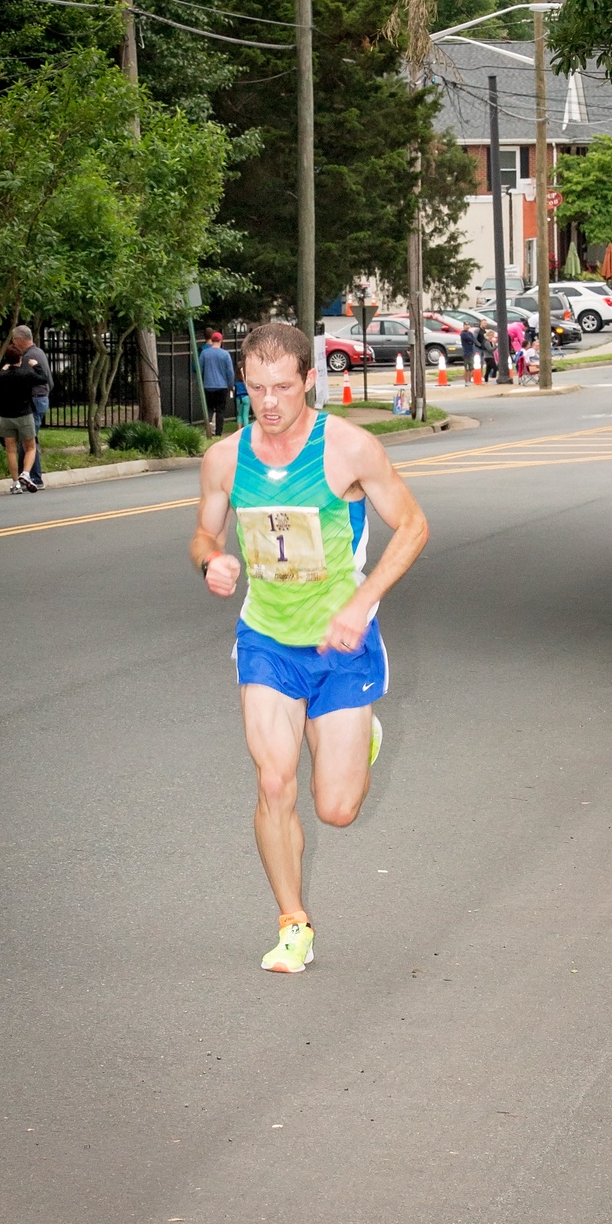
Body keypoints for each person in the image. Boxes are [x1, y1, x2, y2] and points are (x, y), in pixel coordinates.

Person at [190, 322, 429, 974]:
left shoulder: (347, 450)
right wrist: (212, 561)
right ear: (243, 381)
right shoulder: (224, 459)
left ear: (308, 382)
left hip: (340, 644)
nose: (268, 403)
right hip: (266, 638)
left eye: (282, 389)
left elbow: (412, 525)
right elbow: (201, 536)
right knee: (274, 779)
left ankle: (361, 731)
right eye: (257, 388)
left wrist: (362, 600)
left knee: (338, 809)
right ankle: (293, 921)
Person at [0, 342, 42, 493]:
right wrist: (36, 366)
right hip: (24, 414)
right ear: (20, 358)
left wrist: (2, 369)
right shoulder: (26, 374)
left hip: (6, 416)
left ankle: (15, 483)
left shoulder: (1, 376)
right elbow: (43, 379)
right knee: (31, 447)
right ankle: (26, 473)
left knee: (10, 450)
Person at [11, 324, 53, 489]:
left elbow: (24, 381)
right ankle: (29, 475)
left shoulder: (28, 357)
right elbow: (49, 380)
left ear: (20, 339)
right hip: (41, 398)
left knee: (28, 440)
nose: (13, 343)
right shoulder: (39, 352)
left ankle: (33, 477)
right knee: (30, 438)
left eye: (14, 340)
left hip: (34, 399)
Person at [201, 331, 235, 436]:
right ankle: (218, 432)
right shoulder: (225, 354)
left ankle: (209, 428)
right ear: (221, 340)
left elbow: (200, 368)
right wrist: (231, 385)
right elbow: (230, 371)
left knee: (210, 408)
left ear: (212, 340)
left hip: (208, 385)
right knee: (220, 410)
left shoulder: (205, 353)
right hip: (222, 386)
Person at [234, 361, 251, 429]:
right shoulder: (246, 379)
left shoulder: (235, 380)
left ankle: (239, 429)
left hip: (239, 397)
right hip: (246, 397)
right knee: (245, 415)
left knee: (239, 415)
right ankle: (246, 429)